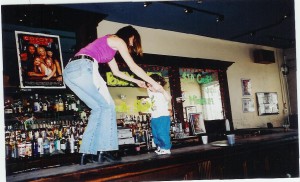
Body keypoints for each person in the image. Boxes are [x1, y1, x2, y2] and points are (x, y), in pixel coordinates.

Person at [62, 25, 165, 165]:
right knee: (109, 107)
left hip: (70, 72)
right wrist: (155, 84)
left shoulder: (108, 46)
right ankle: (106, 150)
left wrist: (137, 81)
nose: (131, 45)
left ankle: (86, 152)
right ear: (131, 37)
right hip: (84, 66)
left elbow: (117, 73)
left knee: (99, 108)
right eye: (133, 42)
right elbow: (133, 67)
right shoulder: (118, 40)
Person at [146, 74, 172, 155]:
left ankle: (166, 148)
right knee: (155, 134)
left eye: (151, 86)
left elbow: (169, 98)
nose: (149, 88)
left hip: (163, 116)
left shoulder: (163, 93)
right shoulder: (151, 94)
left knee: (162, 133)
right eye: (148, 86)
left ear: (158, 83)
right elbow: (147, 88)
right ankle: (160, 147)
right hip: (154, 117)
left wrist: (162, 90)